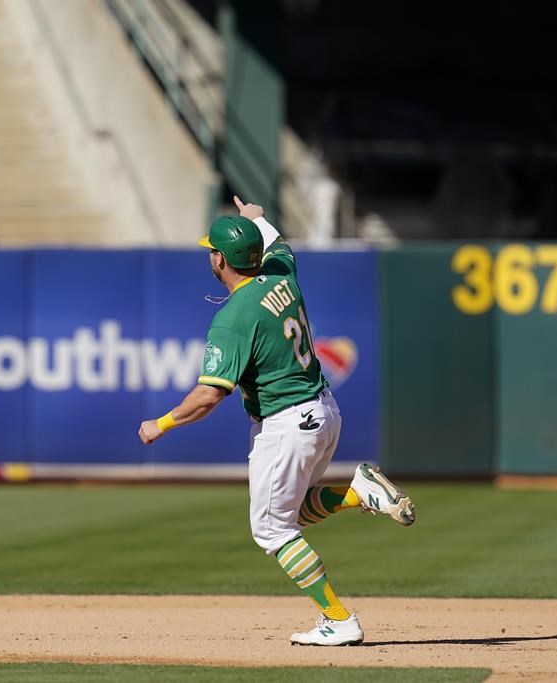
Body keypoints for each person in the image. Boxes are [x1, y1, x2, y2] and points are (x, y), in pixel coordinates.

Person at [138, 196, 415, 646]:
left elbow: (209, 395)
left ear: (221, 261)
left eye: (213, 249)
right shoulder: (281, 275)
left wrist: (161, 424)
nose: (209, 255)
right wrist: (257, 219)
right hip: (325, 411)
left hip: (286, 424)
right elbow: (279, 244)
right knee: (294, 514)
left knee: (272, 530)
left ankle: (339, 619)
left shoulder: (232, 318)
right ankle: (356, 491)